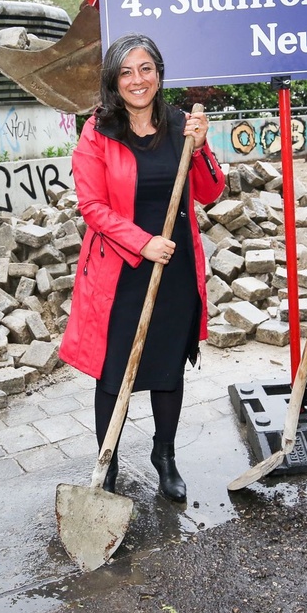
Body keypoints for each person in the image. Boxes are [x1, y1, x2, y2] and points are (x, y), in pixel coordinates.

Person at [58, 33, 226, 501]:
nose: (137, 79)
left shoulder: (181, 125)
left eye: (146, 68)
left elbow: (211, 191)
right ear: (114, 80)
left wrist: (201, 147)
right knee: (114, 374)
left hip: (174, 266)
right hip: (120, 271)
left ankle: (164, 456)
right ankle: (107, 463)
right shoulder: (97, 132)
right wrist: (142, 242)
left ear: (159, 74)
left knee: (168, 369)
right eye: (126, 71)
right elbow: (92, 206)